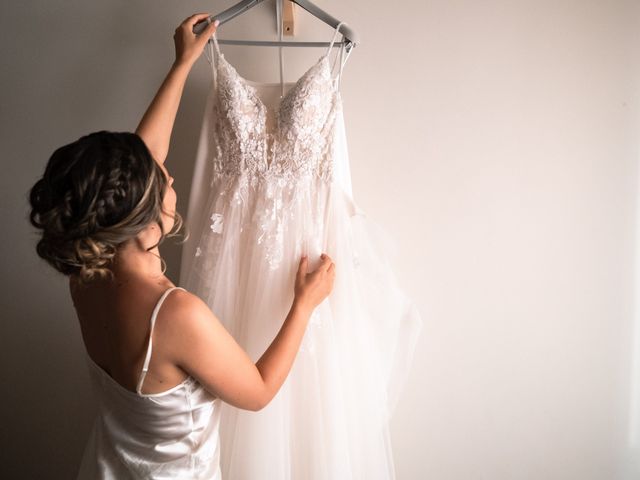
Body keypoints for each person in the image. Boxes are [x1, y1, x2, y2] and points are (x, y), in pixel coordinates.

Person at [28, 13, 336, 479]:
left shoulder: (86, 269)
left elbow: (141, 158)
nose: (169, 173)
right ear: (144, 223)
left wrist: (182, 64)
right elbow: (256, 392)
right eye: (162, 181)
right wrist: (303, 305)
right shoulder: (174, 314)